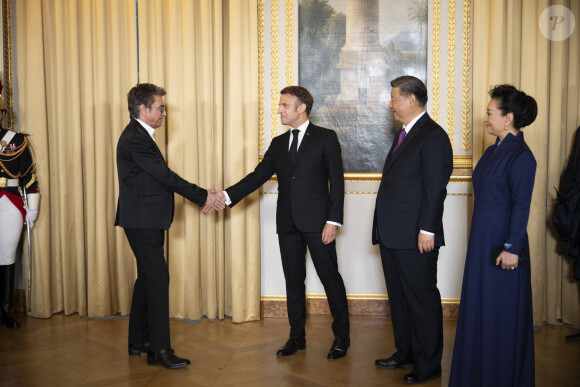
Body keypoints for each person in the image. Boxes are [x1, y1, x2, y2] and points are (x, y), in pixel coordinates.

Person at [216, 86, 350, 360]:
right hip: (287, 223)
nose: (279, 109)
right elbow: (257, 177)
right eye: (280, 105)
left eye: (285, 105)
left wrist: (333, 221)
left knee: (330, 279)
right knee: (293, 281)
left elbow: (337, 182)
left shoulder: (326, 138)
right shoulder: (278, 144)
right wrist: (226, 196)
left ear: (302, 108)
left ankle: (342, 338)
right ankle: (296, 336)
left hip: (318, 223)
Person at [115, 83, 224, 369]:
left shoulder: (139, 135)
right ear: (143, 109)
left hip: (144, 218)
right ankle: (160, 350)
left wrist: (203, 196)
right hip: (141, 220)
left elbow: (158, 177)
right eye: (160, 108)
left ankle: (139, 340)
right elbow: (164, 176)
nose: (164, 113)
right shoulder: (137, 138)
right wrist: (204, 196)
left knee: (147, 278)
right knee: (159, 278)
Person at [449, 84, 537, 386]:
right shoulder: (491, 151)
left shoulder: (522, 156)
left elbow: (521, 205)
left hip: (503, 243)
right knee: (480, 310)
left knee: (500, 314)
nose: (485, 118)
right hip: (481, 240)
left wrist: (511, 247)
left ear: (508, 118)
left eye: (489, 113)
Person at [372, 76, 453, 384]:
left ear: (411, 100)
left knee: (421, 300)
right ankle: (405, 352)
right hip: (393, 234)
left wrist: (427, 230)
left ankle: (429, 365)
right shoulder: (406, 133)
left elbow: (435, 190)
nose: (390, 104)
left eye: (394, 98)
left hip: (416, 236)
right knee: (400, 298)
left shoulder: (433, 136)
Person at [0, 94, 40, 329]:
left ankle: (5, 309)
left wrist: (32, 208)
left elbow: (29, 176)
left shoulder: (16, 140)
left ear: (3, 114)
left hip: (10, 203)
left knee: (6, 256)